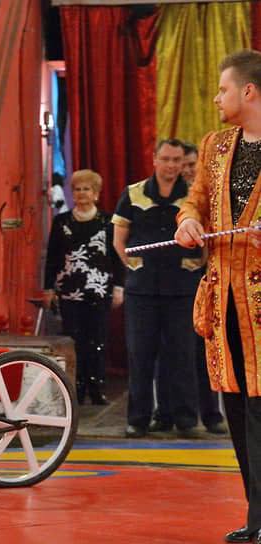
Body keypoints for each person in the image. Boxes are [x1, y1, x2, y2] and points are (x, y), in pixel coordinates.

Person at [175, 49, 261, 544]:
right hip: (223, 298)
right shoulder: (216, 145)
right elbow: (197, 199)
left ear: (248, 91)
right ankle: (257, 515)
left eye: (223, 89)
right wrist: (187, 219)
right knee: (235, 405)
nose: (216, 98)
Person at [112, 138, 202, 439]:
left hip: (182, 289)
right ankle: (137, 420)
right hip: (142, 291)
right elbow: (118, 240)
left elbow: (208, 240)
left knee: (183, 355)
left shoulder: (193, 196)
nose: (172, 165)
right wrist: (134, 267)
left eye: (177, 160)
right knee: (141, 355)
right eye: (166, 159)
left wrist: (196, 265)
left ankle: (186, 420)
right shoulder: (133, 193)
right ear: (154, 159)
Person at [155, 141, 227, 435]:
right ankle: (167, 413)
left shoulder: (208, 195)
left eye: (190, 165)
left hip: (206, 283)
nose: (184, 170)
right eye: (180, 165)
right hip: (172, 287)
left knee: (202, 353)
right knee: (170, 353)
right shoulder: (174, 198)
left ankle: (210, 414)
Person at [43, 169, 123, 405]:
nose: (81, 193)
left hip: (99, 289)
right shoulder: (61, 222)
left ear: (96, 193)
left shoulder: (108, 222)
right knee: (73, 340)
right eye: (77, 189)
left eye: (86, 189)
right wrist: (48, 288)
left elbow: (117, 257)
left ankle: (97, 388)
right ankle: (74, 389)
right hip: (69, 290)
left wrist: (119, 286)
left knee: (96, 339)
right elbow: (53, 258)